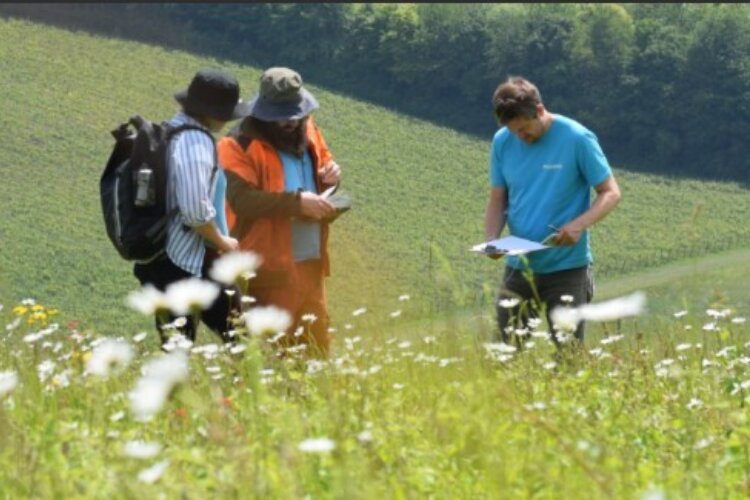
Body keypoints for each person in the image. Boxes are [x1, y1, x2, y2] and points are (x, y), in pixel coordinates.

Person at [484, 76, 621, 347]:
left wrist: (579, 225)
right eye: (514, 132)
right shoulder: (502, 142)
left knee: (568, 355)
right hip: (519, 268)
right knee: (503, 353)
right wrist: (492, 240)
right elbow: (498, 199)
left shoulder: (577, 138)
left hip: (568, 269)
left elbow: (611, 192)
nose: (521, 137)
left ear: (539, 110)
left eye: (524, 129)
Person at [217, 67, 341, 357]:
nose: (291, 121)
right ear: (263, 113)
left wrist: (333, 178)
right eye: (282, 116)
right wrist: (297, 204)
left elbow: (324, 172)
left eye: (296, 113)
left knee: (317, 354)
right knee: (274, 356)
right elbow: (241, 200)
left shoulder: (309, 130)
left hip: (311, 263)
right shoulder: (236, 145)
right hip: (265, 271)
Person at [133, 68, 251, 347]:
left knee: (178, 350)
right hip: (184, 263)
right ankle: (248, 389)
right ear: (215, 112)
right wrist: (223, 241)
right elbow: (195, 212)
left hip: (163, 259)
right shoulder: (195, 141)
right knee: (240, 343)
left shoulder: (171, 129)